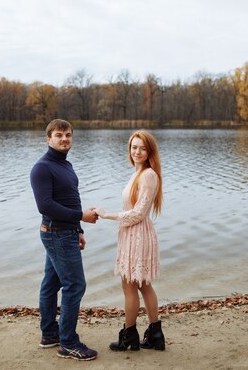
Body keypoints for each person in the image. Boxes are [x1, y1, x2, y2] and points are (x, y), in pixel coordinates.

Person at [30, 119, 99, 361]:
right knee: (75, 286)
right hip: (56, 232)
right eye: (59, 135)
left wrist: (78, 229)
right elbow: (45, 206)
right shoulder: (42, 168)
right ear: (48, 139)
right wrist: (80, 217)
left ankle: (50, 335)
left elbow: (71, 199)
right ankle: (68, 343)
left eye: (68, 135)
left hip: (65, 231)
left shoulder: (65, 165)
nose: (64, 139)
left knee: (51, 283)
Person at [94, 130, 166, 352]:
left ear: (149, 151)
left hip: (138, 234)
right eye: (134, 147)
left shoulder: (148, 175)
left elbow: (138, 214)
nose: (137, 151)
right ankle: (154, 336)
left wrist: (108, 215)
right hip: (133, 234)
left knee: (130, 285)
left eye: (142, 148)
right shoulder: (139, 173)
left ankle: (129, 336)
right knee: (142, 284)